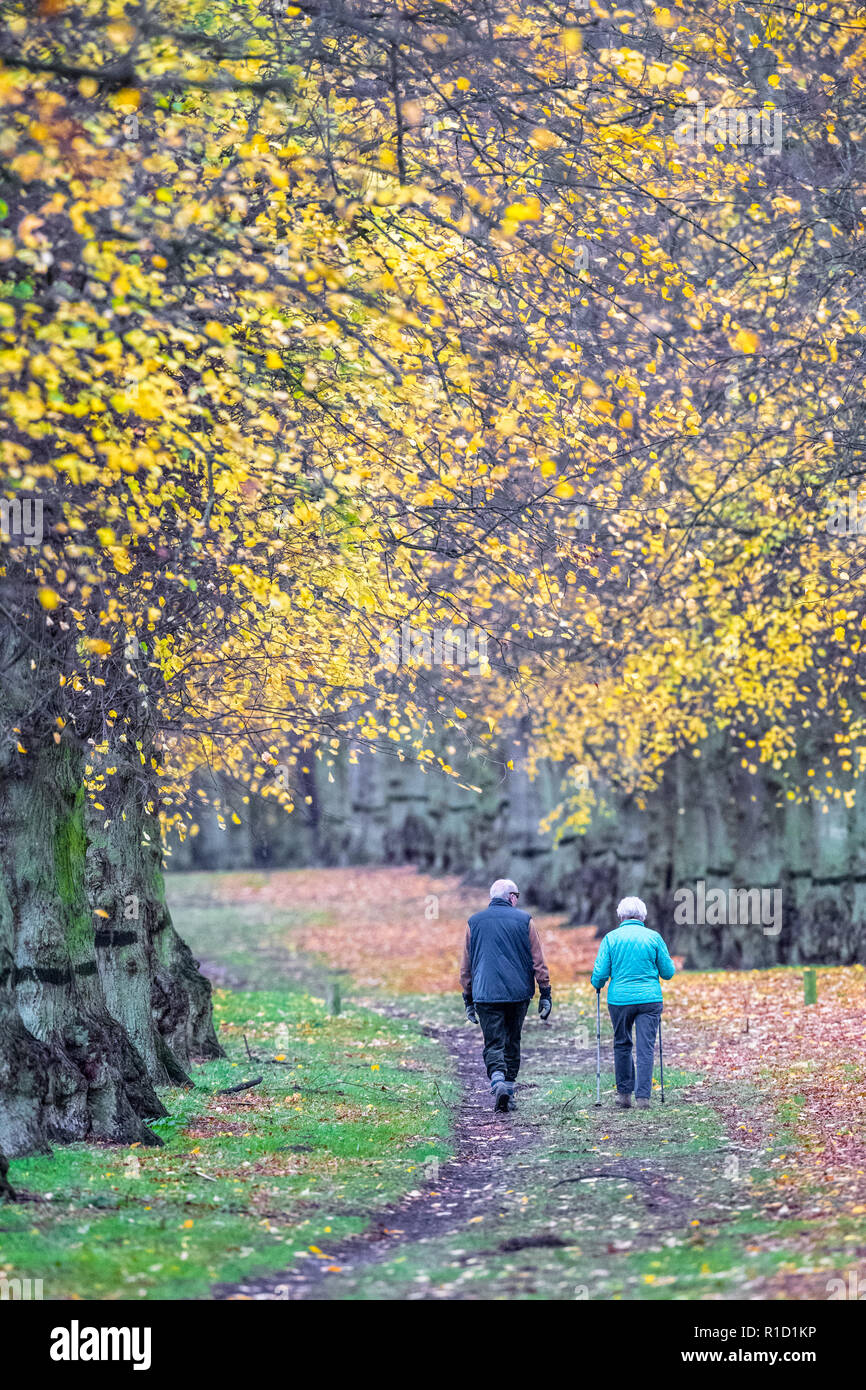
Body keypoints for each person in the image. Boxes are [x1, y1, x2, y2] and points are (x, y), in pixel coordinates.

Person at [460, 878, 551, 1112]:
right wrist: (545, 992)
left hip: (485, 994)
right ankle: (508, 1091)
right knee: (512, 1040)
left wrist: (468, 998)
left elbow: (466, 965)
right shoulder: (525, 920)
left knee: (493, 1042)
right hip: (518, 994)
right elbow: (538, 960)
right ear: (511, 897)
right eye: (517, 895)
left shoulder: (474, 922)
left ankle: (498, 1080)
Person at [590, 895, 675, 1109]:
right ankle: (643, 1097)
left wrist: (597, 983)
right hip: (649, 999)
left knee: (622, 1044)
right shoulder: (653, 937)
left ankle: (624, 1095)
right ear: (643, 916)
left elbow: (600, 973)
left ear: (620, 915)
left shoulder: (611, 938)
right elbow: (668, 972)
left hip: (620, 1000)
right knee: (645, 1047)